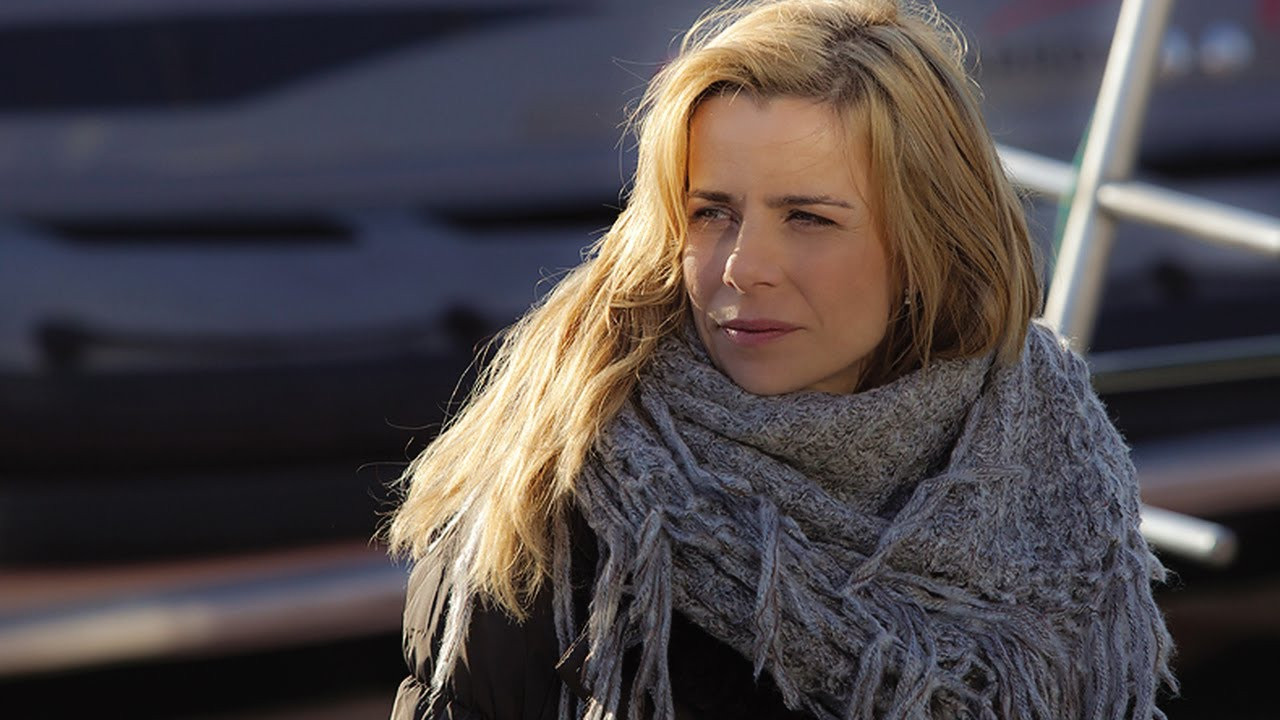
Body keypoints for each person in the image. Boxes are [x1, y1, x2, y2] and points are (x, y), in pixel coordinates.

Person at [386, 1, 1176, 718]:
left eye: (807, 217)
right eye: (711, 212)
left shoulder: (1050, 452)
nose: (743, 267)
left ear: (928, 243)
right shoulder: (557, 507)